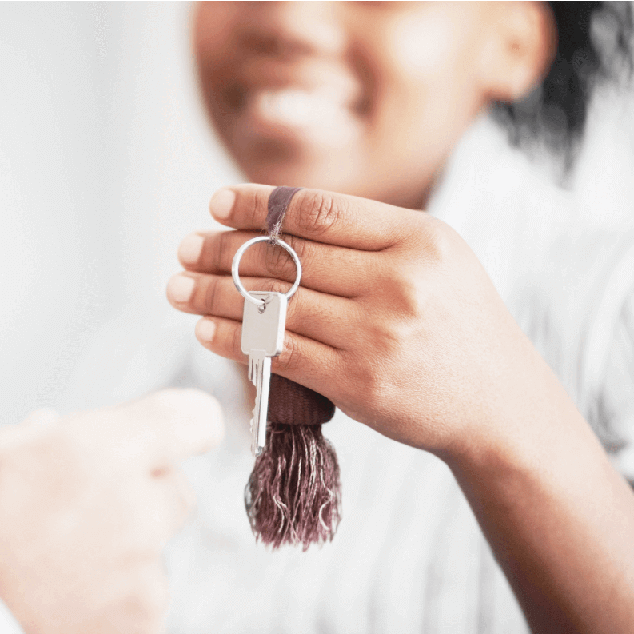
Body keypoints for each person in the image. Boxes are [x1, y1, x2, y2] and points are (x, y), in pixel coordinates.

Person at [1, 2, 632, 633]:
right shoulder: (125, 369)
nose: (289, 18)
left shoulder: (610, 314)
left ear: (513, 41)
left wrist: (516, 435)